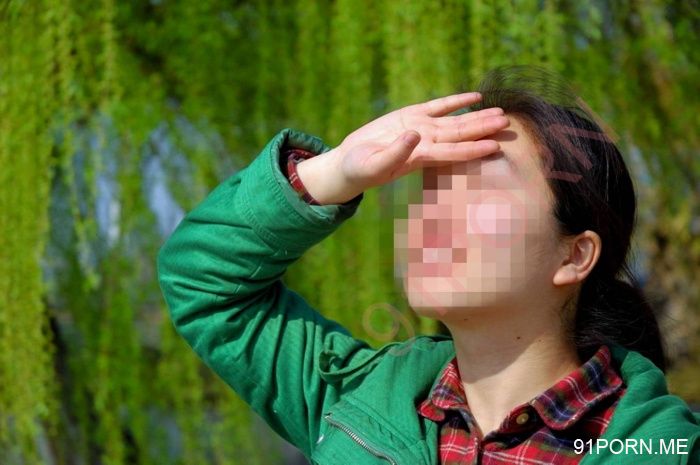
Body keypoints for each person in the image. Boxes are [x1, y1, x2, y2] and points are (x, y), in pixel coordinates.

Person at [157, 66, 700, 464]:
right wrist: (336, 170)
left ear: (574, 255)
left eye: (481, 188)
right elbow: (203, 279)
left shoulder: (664, 449)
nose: (432, 215)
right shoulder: (353, 402)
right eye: (430, 190)